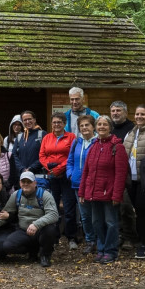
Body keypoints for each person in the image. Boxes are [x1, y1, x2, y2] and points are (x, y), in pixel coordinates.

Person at [78, 116, 128, 264]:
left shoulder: (117, 147)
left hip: (109, 193)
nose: (101, 127)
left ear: (110, 127)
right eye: (99, 124)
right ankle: (101, 249)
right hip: (93, 193)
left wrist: (117, 195)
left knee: (111, 223)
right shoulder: (93, 146)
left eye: (104, 124)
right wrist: (82, 192)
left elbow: (121, 174)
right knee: (96, 223)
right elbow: (86, 171)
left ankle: (110, 251)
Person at [0, 171, 59, 267]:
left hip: (40, 230)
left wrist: (36, 224)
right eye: (23, 181)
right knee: (7, 246)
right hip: (23, 230)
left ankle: (45, 255)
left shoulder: (44, 195)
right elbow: (4, 215)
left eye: (29, 181)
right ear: (20, 183)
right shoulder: (16, 195)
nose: (25, 184)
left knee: (50, 229)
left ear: (35, 183)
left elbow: (54, 214)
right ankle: (33, 250)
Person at [122, 104, 145, 259]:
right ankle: (139, 241)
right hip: (132, 180)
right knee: (136, 210)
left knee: (142, 211)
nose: (139, 117)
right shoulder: (130, 133)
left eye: (142, 114)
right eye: (137, 114)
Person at [39, 112, 77, 249]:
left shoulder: (71, 137)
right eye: (54, 122)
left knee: (69, 207)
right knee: (52, 207)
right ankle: (53, 236)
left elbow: (72, 156)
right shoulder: (47, 137)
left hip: (66, 176)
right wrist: (49, 168)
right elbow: (42, 155)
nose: (56, 125)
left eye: (59, 122)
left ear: (64, 123)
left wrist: (59, 168)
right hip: (51, 177)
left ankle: (71, 236)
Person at [67, 115, 98, 254]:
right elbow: (70, 161)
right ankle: (90, 240)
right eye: (82, 126)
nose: (84, 128)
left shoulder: (97, 142)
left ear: (93, 126)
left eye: (87, 125)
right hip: (78, 184)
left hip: (94, 184)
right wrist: (70, 174)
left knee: (97, 214)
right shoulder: (76, 142)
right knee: (85, 215)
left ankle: (100, 240)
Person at [110, 100, 138, 252]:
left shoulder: (132, 129)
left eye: (118, 110)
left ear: (126, 113)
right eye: (113, 110)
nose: (115, 113)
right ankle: (119, 234)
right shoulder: (108, 128)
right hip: (109, 174)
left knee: (126, 207)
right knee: (113, 208)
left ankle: (130, 237)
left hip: (126, 174)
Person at [12, 111, 46, 187]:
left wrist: (31, 168)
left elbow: (45, 155)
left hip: (38, 175)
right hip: (22, 175)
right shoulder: (20, 136)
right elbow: (14, 155)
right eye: (25, 120)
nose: (27, 122)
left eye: (29, 119)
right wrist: (22, 169)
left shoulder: (42, 134)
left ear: (34, 120)